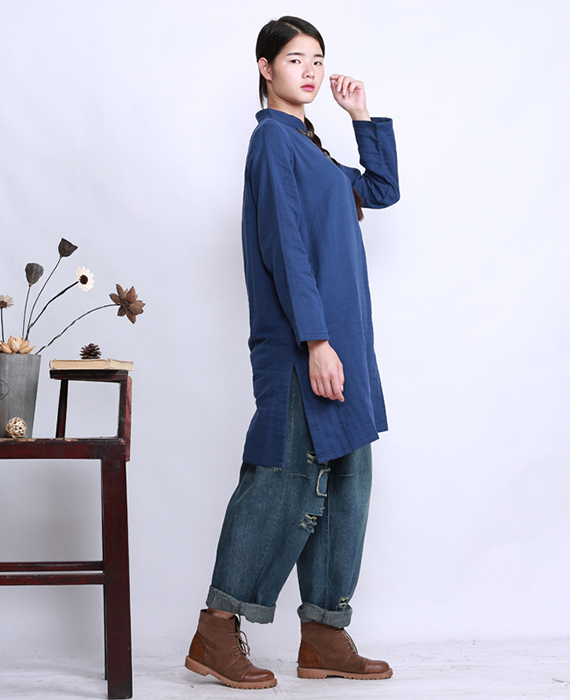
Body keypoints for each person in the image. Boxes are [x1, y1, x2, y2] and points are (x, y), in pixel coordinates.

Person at [185, 16, 400, 690]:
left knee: (348, 479)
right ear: (265, 67)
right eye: (295, 59)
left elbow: (381, 190)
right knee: (281, 477)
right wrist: (315, 341)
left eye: (317, 60)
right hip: (305, 344)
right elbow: (284, 245)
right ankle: (216, 629)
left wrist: (361, 116)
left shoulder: (312, 146)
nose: (309, 71)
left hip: (343, 342)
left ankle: (326, 635)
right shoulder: (272, 141)